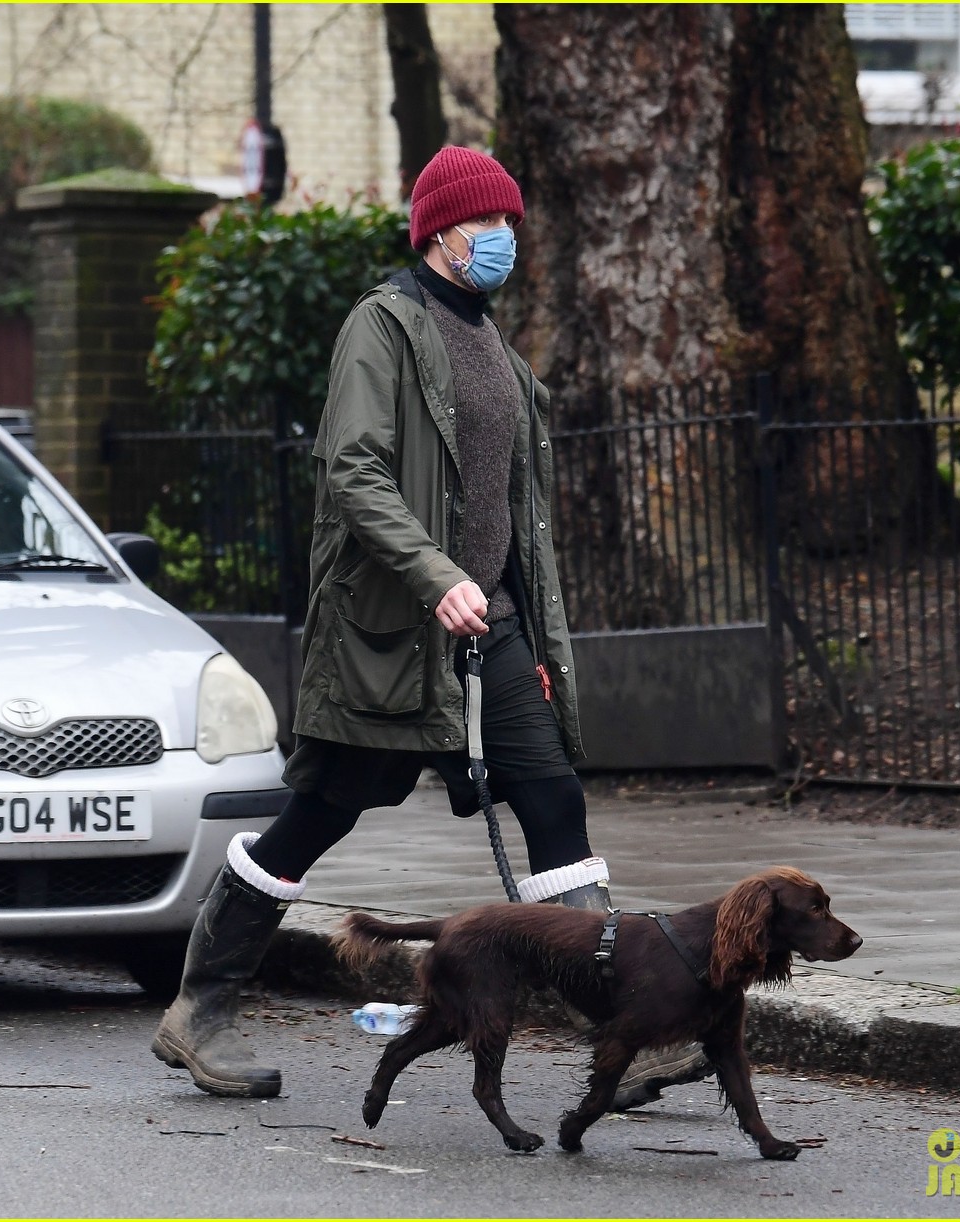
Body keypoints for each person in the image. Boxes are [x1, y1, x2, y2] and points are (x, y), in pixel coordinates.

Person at [151, 145, 708, 1109]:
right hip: (392, 635)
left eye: (511, 222)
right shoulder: (384, 327)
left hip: (487, 633)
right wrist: (436, 576)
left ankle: (635, 1036)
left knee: (554, 808)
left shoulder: (496, 347)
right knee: (318, 815)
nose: (506, 238)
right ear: (444, 231)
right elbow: (352, 471)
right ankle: (197, 1009)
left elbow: (514, 522)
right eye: (490, 222)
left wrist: (527, 641)